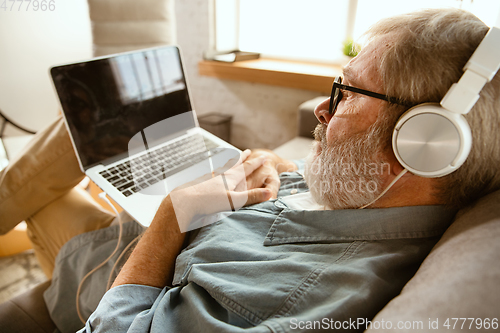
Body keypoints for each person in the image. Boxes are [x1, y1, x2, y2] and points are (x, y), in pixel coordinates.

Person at [1, 7, 499, 333]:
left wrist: (174, 214)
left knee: (79, 133)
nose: (323, 112)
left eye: (345, 94)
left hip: (93, 275)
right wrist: (285, 168)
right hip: (132, 233)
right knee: (105, 129)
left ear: (425, 143)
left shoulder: (285, 302)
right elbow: (338, 174)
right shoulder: (384, 189)